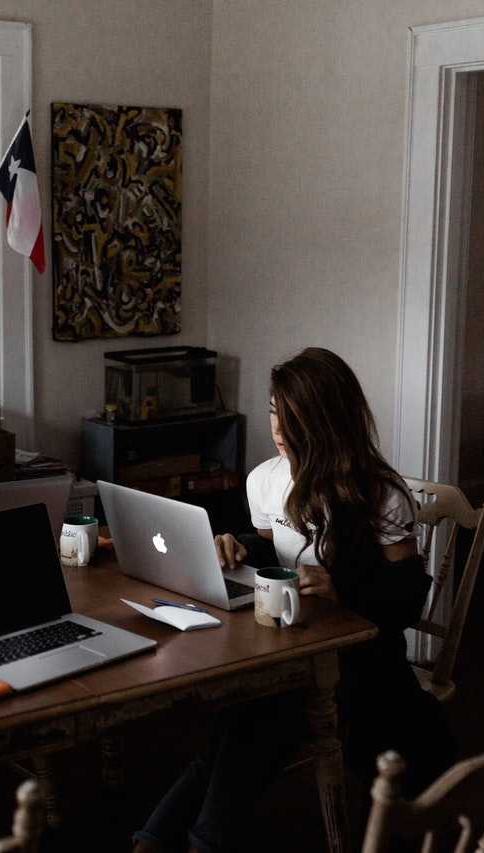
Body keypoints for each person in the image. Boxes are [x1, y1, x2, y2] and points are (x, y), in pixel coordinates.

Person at [133, 347, 454, 853]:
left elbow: (408, 597)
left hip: (357, 658)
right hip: (286, 642)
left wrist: (343, 586)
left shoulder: (380, 494)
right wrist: (238, 544)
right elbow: (274, 544)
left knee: (253, 721)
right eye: (273, 410)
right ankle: (159, 837)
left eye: (292, 415)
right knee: (235, 723)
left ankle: (190, 840)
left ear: (326, 421)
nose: (278, 427)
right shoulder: (264, 480)